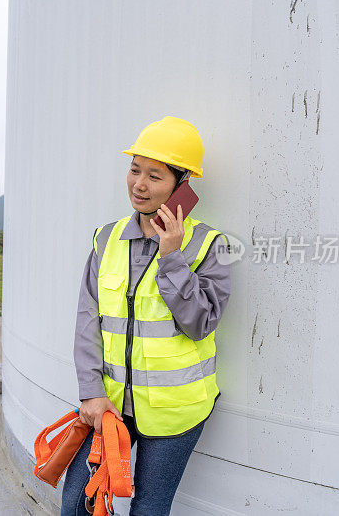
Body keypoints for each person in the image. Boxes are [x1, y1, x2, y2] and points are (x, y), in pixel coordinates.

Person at [61, 116, 232, 515]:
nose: (139, 184)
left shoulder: (210, 245)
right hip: (110, 403)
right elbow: (88, 319)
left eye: (154, 176)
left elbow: (200, 322)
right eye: (135, 170)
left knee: (150, 509)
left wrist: (171, 258)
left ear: (181, 186)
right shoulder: (107, 239)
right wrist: (91, 391)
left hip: (176, 411)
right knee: (76, 503)